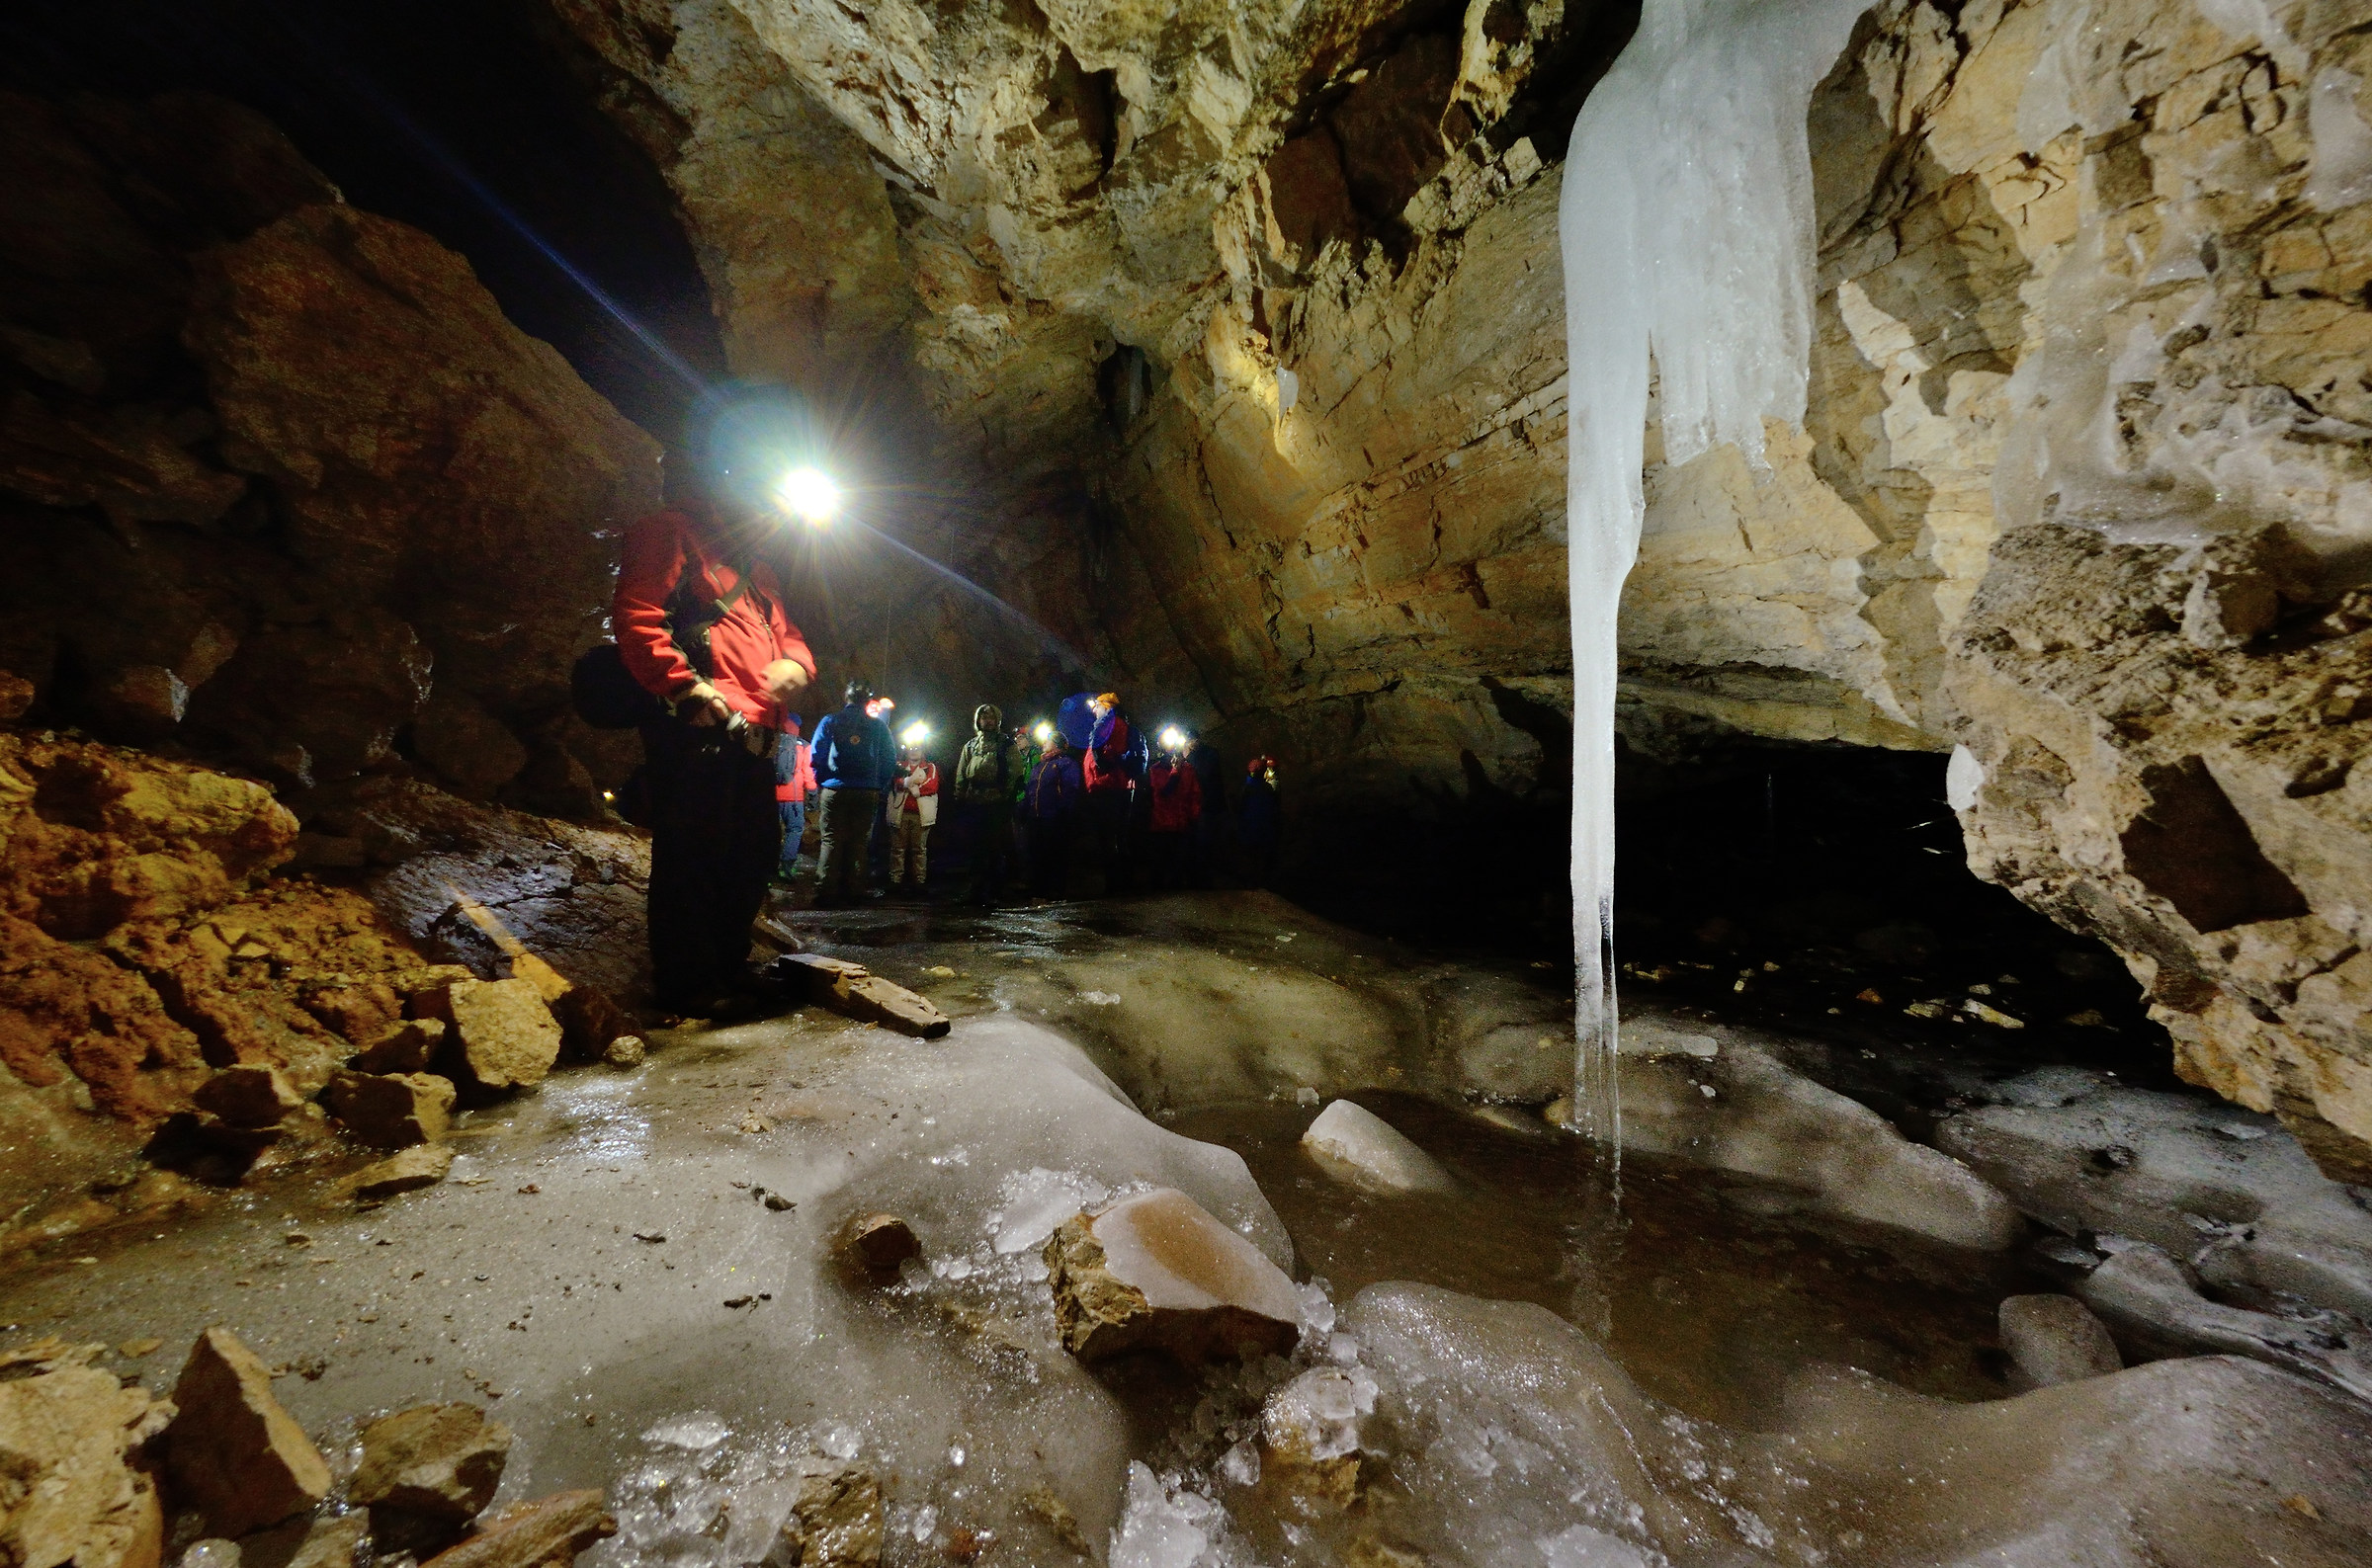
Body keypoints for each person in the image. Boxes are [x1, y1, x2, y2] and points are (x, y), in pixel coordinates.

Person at [614, 464, 813, 1016]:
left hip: (754, 736)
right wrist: (686, 688)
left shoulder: (757, 569)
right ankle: (688, 982)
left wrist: (796, 664)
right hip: (697, 725)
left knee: (749, 853)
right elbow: (637, 616)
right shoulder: (671, 532)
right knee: (694, 852)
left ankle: (729, 966)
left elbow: (791, 637)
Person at [808, 678, 896, 907]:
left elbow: (816, 755)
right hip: (867, 790)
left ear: (846, 696)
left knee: (831, 840)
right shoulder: (879, 727)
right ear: (868, 700)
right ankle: (854, 889)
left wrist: (824, 782)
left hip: (835, 788)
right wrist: (879, 785)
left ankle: (826, 890)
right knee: (859, 841)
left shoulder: (831, 721)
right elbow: (889, 759)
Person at [952, 704, 1023, 905]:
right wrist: (959, 795)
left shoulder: (1006, 744)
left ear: (997, 720)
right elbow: (962, 772)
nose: (988, 720)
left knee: (994, 847)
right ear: (978, 721)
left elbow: (1015, 771)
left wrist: (1005, 797)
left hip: (996, 803)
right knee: (976, 848)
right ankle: (976, 888)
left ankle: (996, 889)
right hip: (975, 802)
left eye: (991, 717)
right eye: (984, 717)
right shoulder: (971, 746)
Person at [1083, 692, 1141, 894]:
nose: (1094, 710)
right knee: (1117, 835)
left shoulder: (1110, 725)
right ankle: (1122, 882)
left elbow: (1109, 755)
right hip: (1114, 786)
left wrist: (1102, 765)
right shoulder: (1113, 724)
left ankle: (1116, 885)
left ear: (1106, 707)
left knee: (1110, 836)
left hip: (1109, 786)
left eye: (1096, 706)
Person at [1022, 730, 1082, 897]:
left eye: (1048, 741)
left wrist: (1062, 811)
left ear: (1056, 744)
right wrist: (1025, 807)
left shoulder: (1066, 764)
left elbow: (1070, 789)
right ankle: (1038, 888)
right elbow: (1031, 789)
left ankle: (1056, 889)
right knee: (1036, 852)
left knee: (1054, 853)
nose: (1044, 744)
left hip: (1054, 817)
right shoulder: (1040, 765)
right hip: (1036, 816)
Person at [1144, 737, 1202, 889]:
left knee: (1179, 861)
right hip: (1162, 822)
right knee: (1160, 861)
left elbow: (1194, 795)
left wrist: (1194, 817)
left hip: (1181, 822)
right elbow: (1164, 791)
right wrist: (1175, 771)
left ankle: (1177, 888)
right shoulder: (1156, 769)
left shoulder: (1189, 769)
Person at [888, 738, 940, 895]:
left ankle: (919, 881)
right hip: (900, 814)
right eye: (911, 747)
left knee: (919, 849)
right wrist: (909, 782)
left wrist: (909, 785)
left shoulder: (930, 767)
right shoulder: (899, 766)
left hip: (920, 815)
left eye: (917, 747)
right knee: (897, 849)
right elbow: (895, 781)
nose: (914, 750)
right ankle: (895, 880)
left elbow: (932, 785)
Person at [773, 711, 815, 884]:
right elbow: (808, 773)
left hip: (772, 795)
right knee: (794, 830)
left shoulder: (774, 740)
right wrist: (812, 793)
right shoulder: (804, 745)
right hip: (794, 797)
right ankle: (786, 868)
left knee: (772, 832)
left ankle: (768, 868)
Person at [1183, 728, 1223, 886]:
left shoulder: (1209, 754)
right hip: (1193, 805)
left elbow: (1204, 776)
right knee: (1192, 841)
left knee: (1203, 842)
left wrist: (1189, 756)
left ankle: (1203, 880)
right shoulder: (1191, 755)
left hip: (1206, 806)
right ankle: (1194, 877)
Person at [1238, 755, 1279, 886]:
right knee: (1261, 856)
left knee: (1250, 856)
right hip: (1264, 829)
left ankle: (1250, 882)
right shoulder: (1268, 788)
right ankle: (1261, 882)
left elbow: (1240, 807)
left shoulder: (1247, 789)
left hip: (1249, 827)